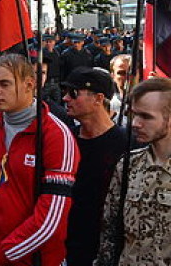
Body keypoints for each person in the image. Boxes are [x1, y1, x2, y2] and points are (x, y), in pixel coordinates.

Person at [0, 54, 80, 266]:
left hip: (34, 259)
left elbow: (51, 217)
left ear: (29, 85)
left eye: (4, 84)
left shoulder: (56, 135)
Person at [96, 77, 171, 266]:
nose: (135, 123)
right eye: (133, 114)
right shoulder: (128, 164)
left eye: (146, 116)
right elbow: (109, 229)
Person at [62, 68, 128, 266]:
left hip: (110, 247)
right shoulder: (64, 140)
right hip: (68, 244)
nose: (65, 98)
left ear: (98, 98)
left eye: (73, 93)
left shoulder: (128, 144)